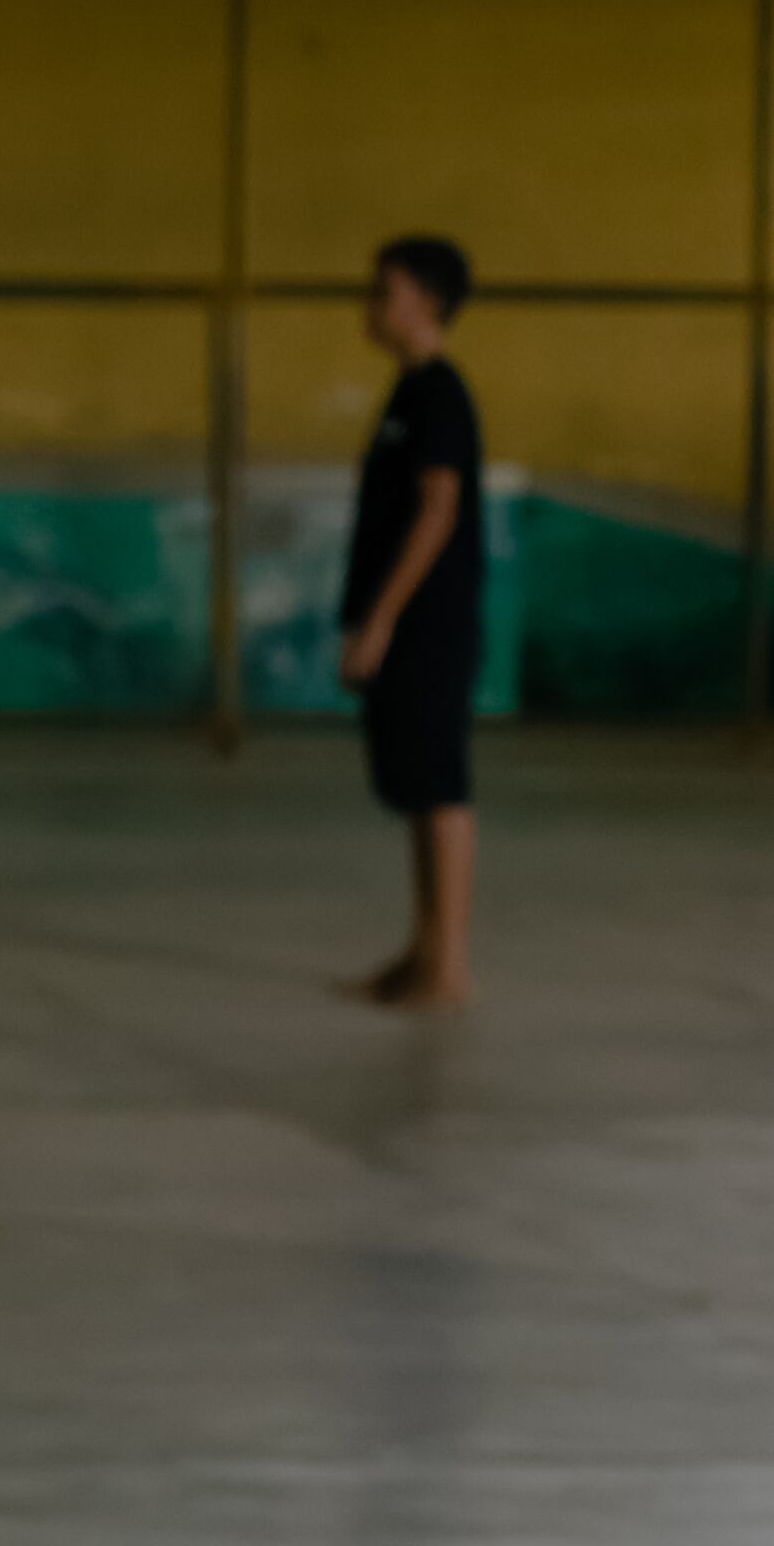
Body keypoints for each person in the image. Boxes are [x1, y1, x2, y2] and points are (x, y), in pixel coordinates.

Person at [339, 234, 484, 1007]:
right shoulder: (408, 392)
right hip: (408, 623)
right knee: (417, 786)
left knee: (442, 786)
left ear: (426, 302)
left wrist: (383, 619)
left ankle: (449, 966)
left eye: (383, 290)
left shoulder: (439, 395)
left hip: (430, 623)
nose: (370, 305)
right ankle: (422, 949)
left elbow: (438, 509)